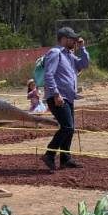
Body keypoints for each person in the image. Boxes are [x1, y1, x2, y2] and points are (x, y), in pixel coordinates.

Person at [41, 27, 90, 172]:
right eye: (72, 38)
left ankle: (65, 159)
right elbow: (48, 75)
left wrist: (82, 48)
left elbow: (84, 64)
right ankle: (49, 155)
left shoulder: (69, 55)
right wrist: (56, 94)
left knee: (70, 128)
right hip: (57, 97)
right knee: (67, 127)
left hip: (67, 97)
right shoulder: (55, 53)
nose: (74, 41)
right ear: (63, 39)